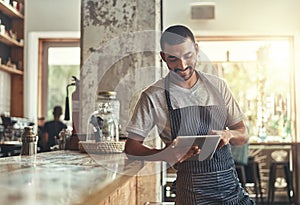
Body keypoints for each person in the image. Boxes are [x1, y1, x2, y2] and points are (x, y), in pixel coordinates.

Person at [125, 25, 255, 204]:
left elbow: (243, 134)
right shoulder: (154, 96)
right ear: (163, 57)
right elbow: (131, 147)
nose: (182, 66)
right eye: (173, 59)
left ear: (196, 49)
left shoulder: (218, 86)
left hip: (230, 192)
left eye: (188, 56)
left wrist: (228, 134)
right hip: (191, 195)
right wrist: (164, 154)